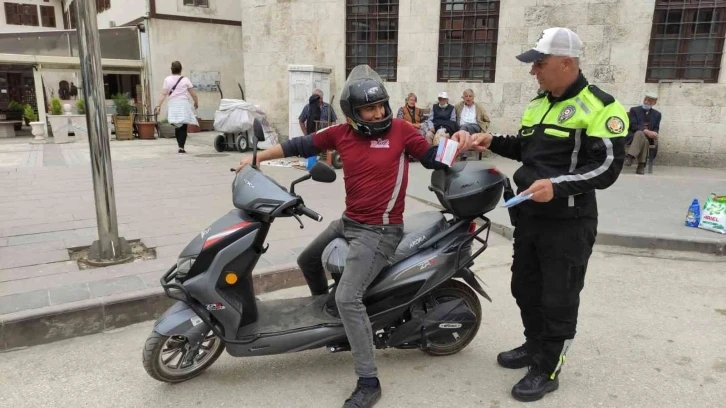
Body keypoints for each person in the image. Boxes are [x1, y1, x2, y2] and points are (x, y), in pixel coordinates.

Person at [237, 65, 472, 408]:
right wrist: (255, 158)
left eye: (380, 106)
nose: (378, 113)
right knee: (307, 259)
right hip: (351, 221)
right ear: (352, 114)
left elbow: (433, 157)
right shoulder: (340, 134)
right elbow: (297, 145)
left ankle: (368, 379)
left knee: (349, 297)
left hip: (381, 231)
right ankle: (330, 318)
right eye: (369, 109)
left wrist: (458, 143)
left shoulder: (402, 131)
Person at [468, 27, 627, 402]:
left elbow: (606, 167)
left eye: (539, 64)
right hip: (530, 217)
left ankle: (548, 366)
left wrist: (557, 186)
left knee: (559, 296)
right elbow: (528, 150)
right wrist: (492, 141)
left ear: (566, 62)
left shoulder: (602, 107)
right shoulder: (540, 103)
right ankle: (534, 345)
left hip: (569, 223)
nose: (533, 71)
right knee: (524, 286)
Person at [155, 61, 199, 154]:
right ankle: (181, 147)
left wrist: (159, 105)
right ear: (181, 69)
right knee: (183, 126)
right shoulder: (186, 80)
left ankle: (180, 145)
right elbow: (193, 94)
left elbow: (163, 94)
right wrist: (196, 102)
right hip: (183, 104)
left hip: (173, 104)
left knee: (176, 126)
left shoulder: (167, 79)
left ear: (171, 69)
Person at [625, 92, 661, 174]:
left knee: (644, 138)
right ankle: (641, 166)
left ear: (654, 103)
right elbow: (633, 125)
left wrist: (654, 134)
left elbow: (656, 128)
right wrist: (646, 131)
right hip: (633, 136)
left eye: (649, 101)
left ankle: (630, 157)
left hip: (648, 138)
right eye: (645, 99)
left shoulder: (657, 114)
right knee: (639, 134)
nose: (646, 102)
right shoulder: (634, 110)